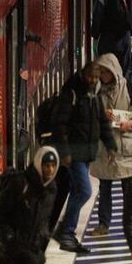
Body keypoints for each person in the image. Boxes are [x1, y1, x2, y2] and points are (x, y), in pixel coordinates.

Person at [51, 63, 118, 253]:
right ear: (83, 75)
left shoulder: (94, 95)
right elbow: (60, 125)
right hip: (74, 153)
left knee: (77, 190)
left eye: (96, 78)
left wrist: (110, 144)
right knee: (84, 191)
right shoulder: (72, 93)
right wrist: (64, 153)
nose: (93, 80)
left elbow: (102, 122)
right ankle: (66, 231)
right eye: (90, 77)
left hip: (87, 151)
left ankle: (66, 232)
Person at [88, 53, 132, 236]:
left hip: (127, 147)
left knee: (129, 189)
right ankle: (103, 224)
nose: (103, 76)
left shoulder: (130, 88)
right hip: (105, 148)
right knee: (104, 188)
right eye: (101, 72)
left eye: (106, 72)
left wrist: (131, 123)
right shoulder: (94, 91)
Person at [0, 147, 59, 264]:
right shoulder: (20, 184)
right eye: (46, 165)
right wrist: (10, 237)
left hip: (33, 253)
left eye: (53, 166)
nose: (50, 170)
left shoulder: (51, 189)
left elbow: (44, 220)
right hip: (11, 253)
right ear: (39, 164)